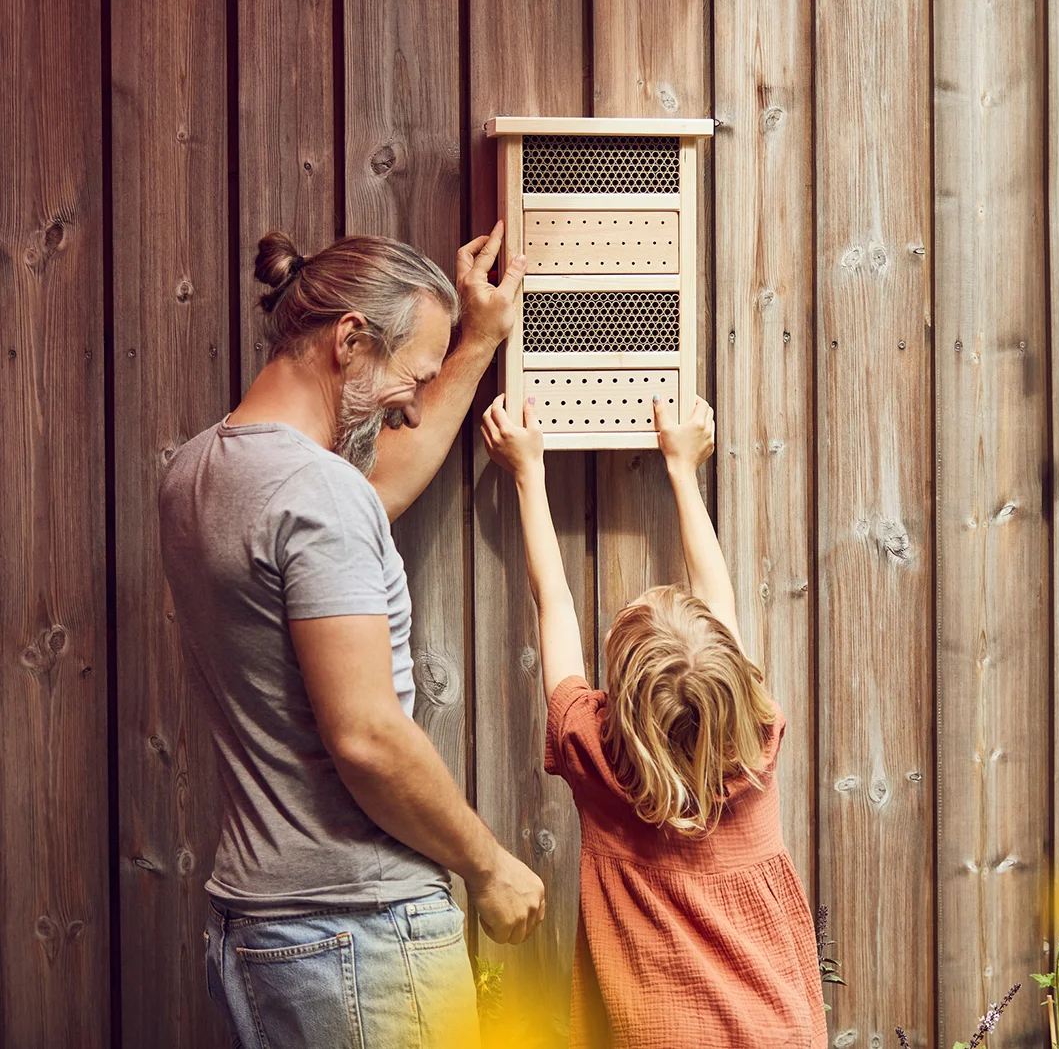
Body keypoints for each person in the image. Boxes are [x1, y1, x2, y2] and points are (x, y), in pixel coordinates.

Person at [159, 223, 541, 1049]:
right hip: (360, 936)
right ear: (350, 339)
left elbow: (373, 495)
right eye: (413, 376)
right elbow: (367, 737)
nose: (412, 399)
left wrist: (475, 342)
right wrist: (489, 866)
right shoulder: (319, 497)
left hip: (261, 932)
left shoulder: (198, 471)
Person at [480, 393, 828, 1049]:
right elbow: (717, 600)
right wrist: (682, 469)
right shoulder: (753, 737)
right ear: (729, 680)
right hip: (778, 1028)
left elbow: (552, 603)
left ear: (621, 697)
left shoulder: (594, 751)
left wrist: (529, 475)